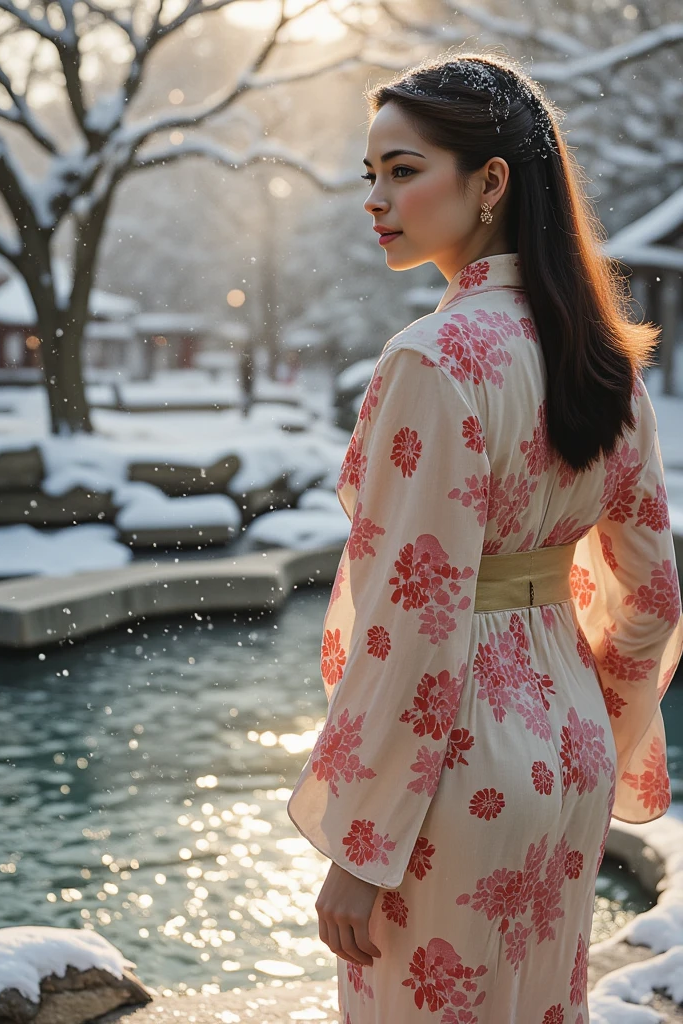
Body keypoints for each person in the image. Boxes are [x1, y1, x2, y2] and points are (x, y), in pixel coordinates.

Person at [286, 51, 683, 1023]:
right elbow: (652, 598)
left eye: (403, 169)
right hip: (568, 748)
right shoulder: (599, 362)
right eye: (368, 174)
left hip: (453, 774)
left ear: (491, 182)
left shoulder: (432, 360)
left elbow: (409, 619)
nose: (374, 198)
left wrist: (361, 844)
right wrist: (589, 721)